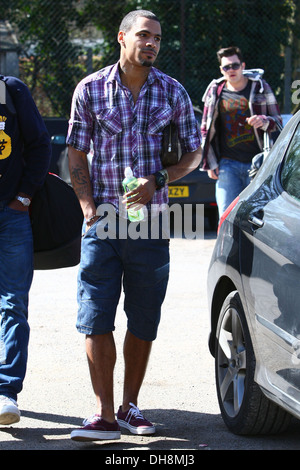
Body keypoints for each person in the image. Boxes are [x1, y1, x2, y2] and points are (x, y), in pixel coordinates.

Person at [67, 9, 201, 441]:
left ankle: (129, 407)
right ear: (122, 38)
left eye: (158, 38)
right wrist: (88, 207)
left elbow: (194, 154)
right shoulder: (90, 90)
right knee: (95, 316)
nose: (152, 43)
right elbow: (75, 153)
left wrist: (158, 180)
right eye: (144, 35)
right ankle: (104, 415)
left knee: (143, 318)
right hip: (102, 222)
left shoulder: (173, 92)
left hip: (152, 223)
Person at [0, 75, 51, 424]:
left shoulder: (11, 90)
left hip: (10, 215)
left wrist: (24, 195)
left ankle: (5, 392)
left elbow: (40, 144)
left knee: (13, 301)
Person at [200, 46, 282, 218]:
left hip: (258, 165)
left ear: (243, 66)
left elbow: (278, 122)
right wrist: (210, 162)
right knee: (226, 218)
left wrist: (265, 121)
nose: (231, 70)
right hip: (228, 165)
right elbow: (205, 129)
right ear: (221, 70)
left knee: (258, 219)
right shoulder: (215, 91)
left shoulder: (260, 87)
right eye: (226, 67)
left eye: (235, 66)